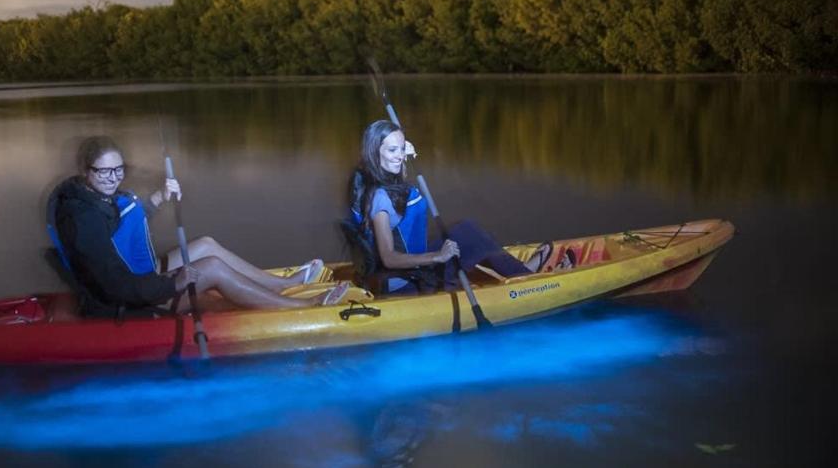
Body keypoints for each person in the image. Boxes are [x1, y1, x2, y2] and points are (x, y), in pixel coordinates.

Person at [51, 135, 348, 317]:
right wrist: (174, 283)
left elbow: (122, 230)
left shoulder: (94, 197)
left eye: (118, 169)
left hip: (139, 276)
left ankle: (282, 285)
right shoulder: (82, 220)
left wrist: (158, 198)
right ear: (85, 170)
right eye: (104, 171)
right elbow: (115, 283)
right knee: (212, 269)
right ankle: (304, 308)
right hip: (124, 302)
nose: (114, 178)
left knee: (206, 245)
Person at [348, 120, 570, 294]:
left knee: (465, 230)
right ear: (375, 153)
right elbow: (388, 257)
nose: (399, 156)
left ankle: (522, 272)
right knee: (472, 236)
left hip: (411, 266)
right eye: (392, 150)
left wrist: (402, 154)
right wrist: (438, 257)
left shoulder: (380, 179)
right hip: (407, 281)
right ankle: (529, 279)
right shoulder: (380, 198)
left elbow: (395, 177)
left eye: (401, 148)